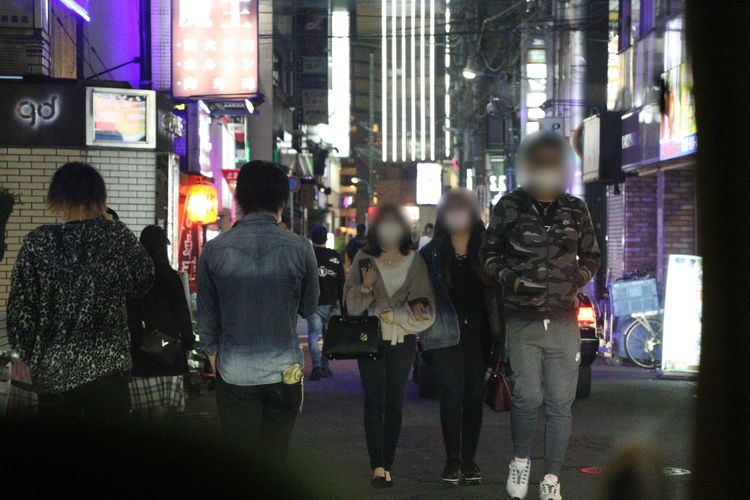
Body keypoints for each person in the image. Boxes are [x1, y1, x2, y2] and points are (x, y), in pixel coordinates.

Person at [480, 131, 601, 500]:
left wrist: (572, 281)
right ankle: (520, 460)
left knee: (560, 404)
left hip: (564, 320)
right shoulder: (509, 206)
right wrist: (511, 281)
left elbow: (592, 256)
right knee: (527, 397)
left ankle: (551, 478)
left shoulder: (575, 208)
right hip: (522, 319)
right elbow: (488, 255)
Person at [7, 162, 154, 422]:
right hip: (109, 373)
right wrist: (114, 225)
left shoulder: (38, 243)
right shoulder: (115, 237)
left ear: (59, 199)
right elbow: (144, 279)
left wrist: (31, 358)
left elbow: (21, 313)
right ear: (99, 199)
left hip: (55, 376)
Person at [197, 161, 319, 466]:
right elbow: (309, 307)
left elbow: (206, 314)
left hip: (234, 369)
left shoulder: (215, 249)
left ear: (239, 199)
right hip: (284, 370)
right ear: (282, 200)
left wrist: (213, 355)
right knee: (275, 458)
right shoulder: (301, 248)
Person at [344, 203, 435, 488]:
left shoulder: (415, 261)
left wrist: (404, 312)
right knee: (374, 400)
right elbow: (351, 304)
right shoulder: (363, 257)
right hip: (369, 338)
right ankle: (377, 465)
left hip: (402, 339)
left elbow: (427, 306)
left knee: (394, 402)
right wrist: (366, 287)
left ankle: (389, 461)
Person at [419, 189, 503, 485]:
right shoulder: (430, 254)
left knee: (473, 397)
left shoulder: (487, 250)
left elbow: (497, 295)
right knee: (451, 395)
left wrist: (500, 336)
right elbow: (419, 294)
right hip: (443, 333)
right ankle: (452, 460)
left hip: (478, 334)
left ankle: (469, 460)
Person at [127, 225, 195, 421]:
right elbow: (182, 314)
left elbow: (129, 314)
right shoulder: (170, 277)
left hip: (139, 349)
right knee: (162, 407)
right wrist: (189, 343)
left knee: (140, 407)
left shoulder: (134, 278)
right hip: (167, 349)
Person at [306, 225, 344, 381]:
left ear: (312, 239)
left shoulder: (308, 256)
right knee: (329, 336)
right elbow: (341, 282)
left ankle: (316, 367)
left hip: (313, 303)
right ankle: (325, 366)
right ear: (326, 239)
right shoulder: (334, 256)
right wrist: (342, 304)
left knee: (313, 335)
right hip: (331, 302)